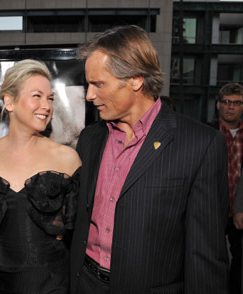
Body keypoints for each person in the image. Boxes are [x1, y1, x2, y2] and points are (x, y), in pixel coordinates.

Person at [70, 25, 230, 294]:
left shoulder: (200, 144)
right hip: (85, 283)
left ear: (135, 79)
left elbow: (205, 254)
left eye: (98, 84)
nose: (89, 95)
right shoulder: (90, 138)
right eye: (88, 84)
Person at [0, 59, 81, 294]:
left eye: (50, 99)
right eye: (37, 96)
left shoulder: (67, 159)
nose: (46, 106)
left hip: (51, 282)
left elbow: (78, 233)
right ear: (9, 101)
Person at [210, 82, 243, 294]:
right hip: (212, 208)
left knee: (240, 262)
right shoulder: (205, 132)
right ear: (218, 105)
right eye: (226, 102)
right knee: (210, 259)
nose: (231, 107)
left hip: (240, 212)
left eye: (237, 103)